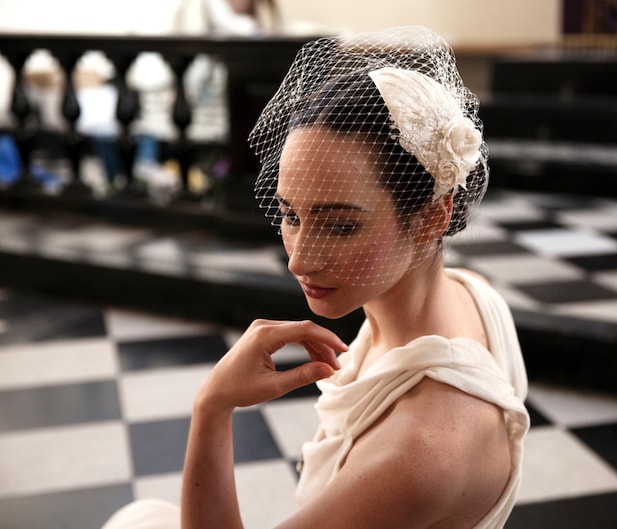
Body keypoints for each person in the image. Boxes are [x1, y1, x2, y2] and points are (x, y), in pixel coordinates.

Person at [101, 26, 529, 529]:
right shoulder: (471, 291)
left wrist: (212, 405)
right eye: (290, 215)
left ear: (433, 216)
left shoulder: (417, 451)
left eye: (341, 225)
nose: (299, 261)